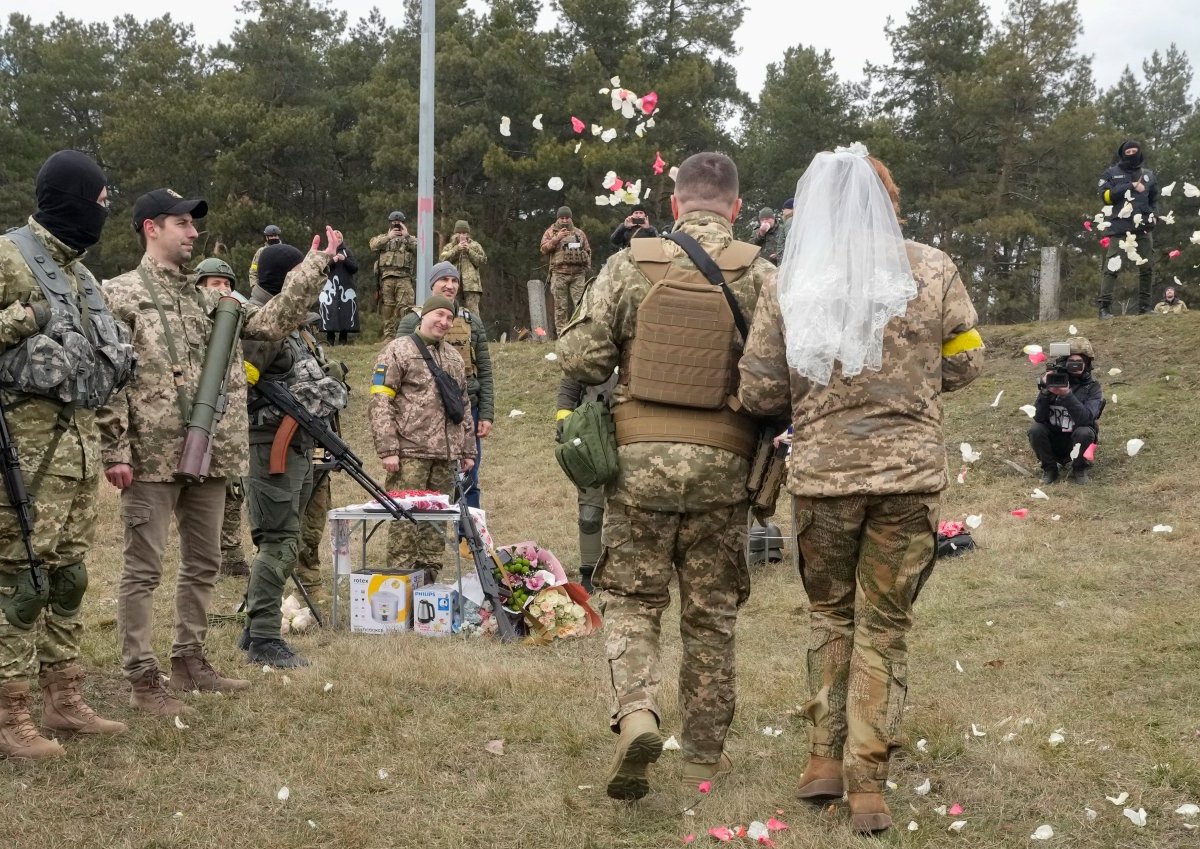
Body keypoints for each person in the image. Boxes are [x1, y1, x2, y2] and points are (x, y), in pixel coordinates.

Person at [737, 145, 984, 834]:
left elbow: (757, 388)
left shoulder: (790, 280)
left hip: (823, 480)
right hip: (908, 477)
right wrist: (917, 382)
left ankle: (822, 760)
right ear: (889, 200)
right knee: (884, 624)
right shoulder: (932, 268)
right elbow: (968, 359)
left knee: (831, 616)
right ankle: (868, 784)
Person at [559, 151, 776, 800]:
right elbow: (777, 382)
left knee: (631, 600)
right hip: (723, 469)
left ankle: (636, 714)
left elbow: (582, 356)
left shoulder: (631, 264)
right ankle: (705, 753)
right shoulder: (763, 274)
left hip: (639, 465)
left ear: (675, 203)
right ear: (735, 208)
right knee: (710, 616)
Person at [99, 188, 341, 714]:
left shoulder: (212, 301)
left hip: (209, 455)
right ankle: (143, 679)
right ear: (150, 228)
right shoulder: (117, 295)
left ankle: (190, 660)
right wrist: (116, 449)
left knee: (204, 562)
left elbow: (272, 323)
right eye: (182, 223)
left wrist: (314, 267)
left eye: (193, 224)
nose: (193, 233)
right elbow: (110, 380)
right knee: (144, 568)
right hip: (150, 455)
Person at [0, 150, 134, 758]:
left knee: (68, 578)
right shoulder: (8, 255)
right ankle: (10, 714)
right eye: (99, 201)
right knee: (18, 581)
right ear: (72, 197)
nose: (103, 212)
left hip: (75, 454)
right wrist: (27, 316)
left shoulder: (82, 277)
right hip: (22, 459)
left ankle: (63, 697)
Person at [239, 243, 349, 667]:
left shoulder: (297, 326)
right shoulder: (260, 327)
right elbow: (242, 389)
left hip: (296, 446)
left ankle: (255, 629)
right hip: (270, 448)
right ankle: (265, 638)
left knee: (290, 537)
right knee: (279, 542)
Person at [369, 295, 476, 580]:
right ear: (423, 316)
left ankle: (429, 580)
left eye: (449, 318)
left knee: (435, 525)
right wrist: (388, 448)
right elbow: (380, 401)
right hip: (409, 454)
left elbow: (463, 404)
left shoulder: (453, 357)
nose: (443, 322)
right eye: (439, 315)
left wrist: (468, 449)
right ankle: (398, 583)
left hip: (446, 456)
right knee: (405, 521)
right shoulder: (397, 350)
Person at [395, 262, 494, 509]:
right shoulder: (410, 322)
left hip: (464, 410)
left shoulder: (472, 322)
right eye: (443, 280)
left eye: (454, 281)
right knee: (424, 482)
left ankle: (467, 540)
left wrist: (487, 414)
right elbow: (397, 370)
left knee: (468, 477)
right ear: (432, 285)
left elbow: (485, 370)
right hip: (422, 415)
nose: (449, 286)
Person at [194, 258, 252, 579]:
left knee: (235, 487)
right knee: (205, 489)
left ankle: (231, 554)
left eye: (228, 284)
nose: (225, 290)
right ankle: (206, 558)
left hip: (232, 419)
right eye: (216, 283)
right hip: (203, 417)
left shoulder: (236, 320)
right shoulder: (192, 321)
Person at [554, 373, 618, 591]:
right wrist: (564, 419)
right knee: (589, 513)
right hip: (594, 432)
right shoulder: (595, 345)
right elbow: (570, 383)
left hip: (636, 433)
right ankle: (590, 571)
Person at [1028, 337, 1103, 486]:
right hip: (1054, 437)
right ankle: (1049, 469)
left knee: (1085, 431)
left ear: (1087, 364)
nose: (1076, 365)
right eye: (1072, 362)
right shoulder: (1054, 381)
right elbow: (1039, 417)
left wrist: (1066, 395)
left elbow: (1086, 419)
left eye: (1080, 362)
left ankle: (1079, 468)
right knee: (1035, 429)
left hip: (1076, 439)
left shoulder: (1092, 388)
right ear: (1064, 363)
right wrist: (1045, 393)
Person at [1097, 139, 1158, 318]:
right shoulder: (1110, 173)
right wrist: (1129, 186)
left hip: (1143, 229)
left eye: (1134, 151)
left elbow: (1154, 198)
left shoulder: (1149, 175)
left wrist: (1154, 215)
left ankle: (1145, 308)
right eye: (1128, 152)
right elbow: (1106, 197)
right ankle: (1104, 309)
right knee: (1111, 268)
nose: (1132, 155)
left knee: (1147, 268)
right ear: (1122, 154)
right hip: (1119, 229)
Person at [540, 206, 592, 336]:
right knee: (560, 308)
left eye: (567, 218)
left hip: (578, 275)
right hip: (559, 274)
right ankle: (562, 335)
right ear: (558, 218)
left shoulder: (579, 233)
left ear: (570, 218)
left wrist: (587, 263)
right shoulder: (550, 232)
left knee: (581, 306)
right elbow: (543, 249)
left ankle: (581, 334)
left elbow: (587, 251)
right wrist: (557, 238)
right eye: (562, 218)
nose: (564, 220)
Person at [368, 211, 417, 338]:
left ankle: (407, 335)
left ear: (404, 224)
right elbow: (373, 245)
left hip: (404, 277)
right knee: (388, 307)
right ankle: (389, 336)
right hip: (387, 278)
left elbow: (421, 249)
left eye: (399, 224)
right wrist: (388, 237)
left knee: (406, 307)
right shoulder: (383, 238)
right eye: (393, 223)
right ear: (389, 224)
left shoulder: (409, 240)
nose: (396, 226)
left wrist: (407, 236)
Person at [438, 220, 488, 316]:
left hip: (471, 286)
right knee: (452, 311)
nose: (462, 235)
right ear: (455, 234)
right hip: (453, 286)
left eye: (464, 233)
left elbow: (482, 261)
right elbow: (442, 260)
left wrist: (469, 250)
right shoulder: (449, 247)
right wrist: (457, 249)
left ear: (468, 234)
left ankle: (475, 331)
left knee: (473, 315)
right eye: (459, 233)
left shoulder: (475, 246)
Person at [318, 234, 359, 345]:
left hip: (345, 287)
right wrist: (333, 260)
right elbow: (321, 268)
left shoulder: (347, 252)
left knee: (345, 312)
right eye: (335, 238)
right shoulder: (326, 252)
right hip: (329, 288)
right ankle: (329, 340)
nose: (338, 239)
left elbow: (354, 268)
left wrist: (344, 260)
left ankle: (343, 340)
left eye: (339, 237)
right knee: (330, 311)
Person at [248, 224, 282, 292]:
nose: (273, 238)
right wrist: (254, 286)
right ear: (266, 237)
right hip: (264, 289)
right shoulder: (261, 252)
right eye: (271, 236)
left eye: (275, 235)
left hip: (281, 289)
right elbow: (253, 270)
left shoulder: (285, 251)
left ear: (278, 236)